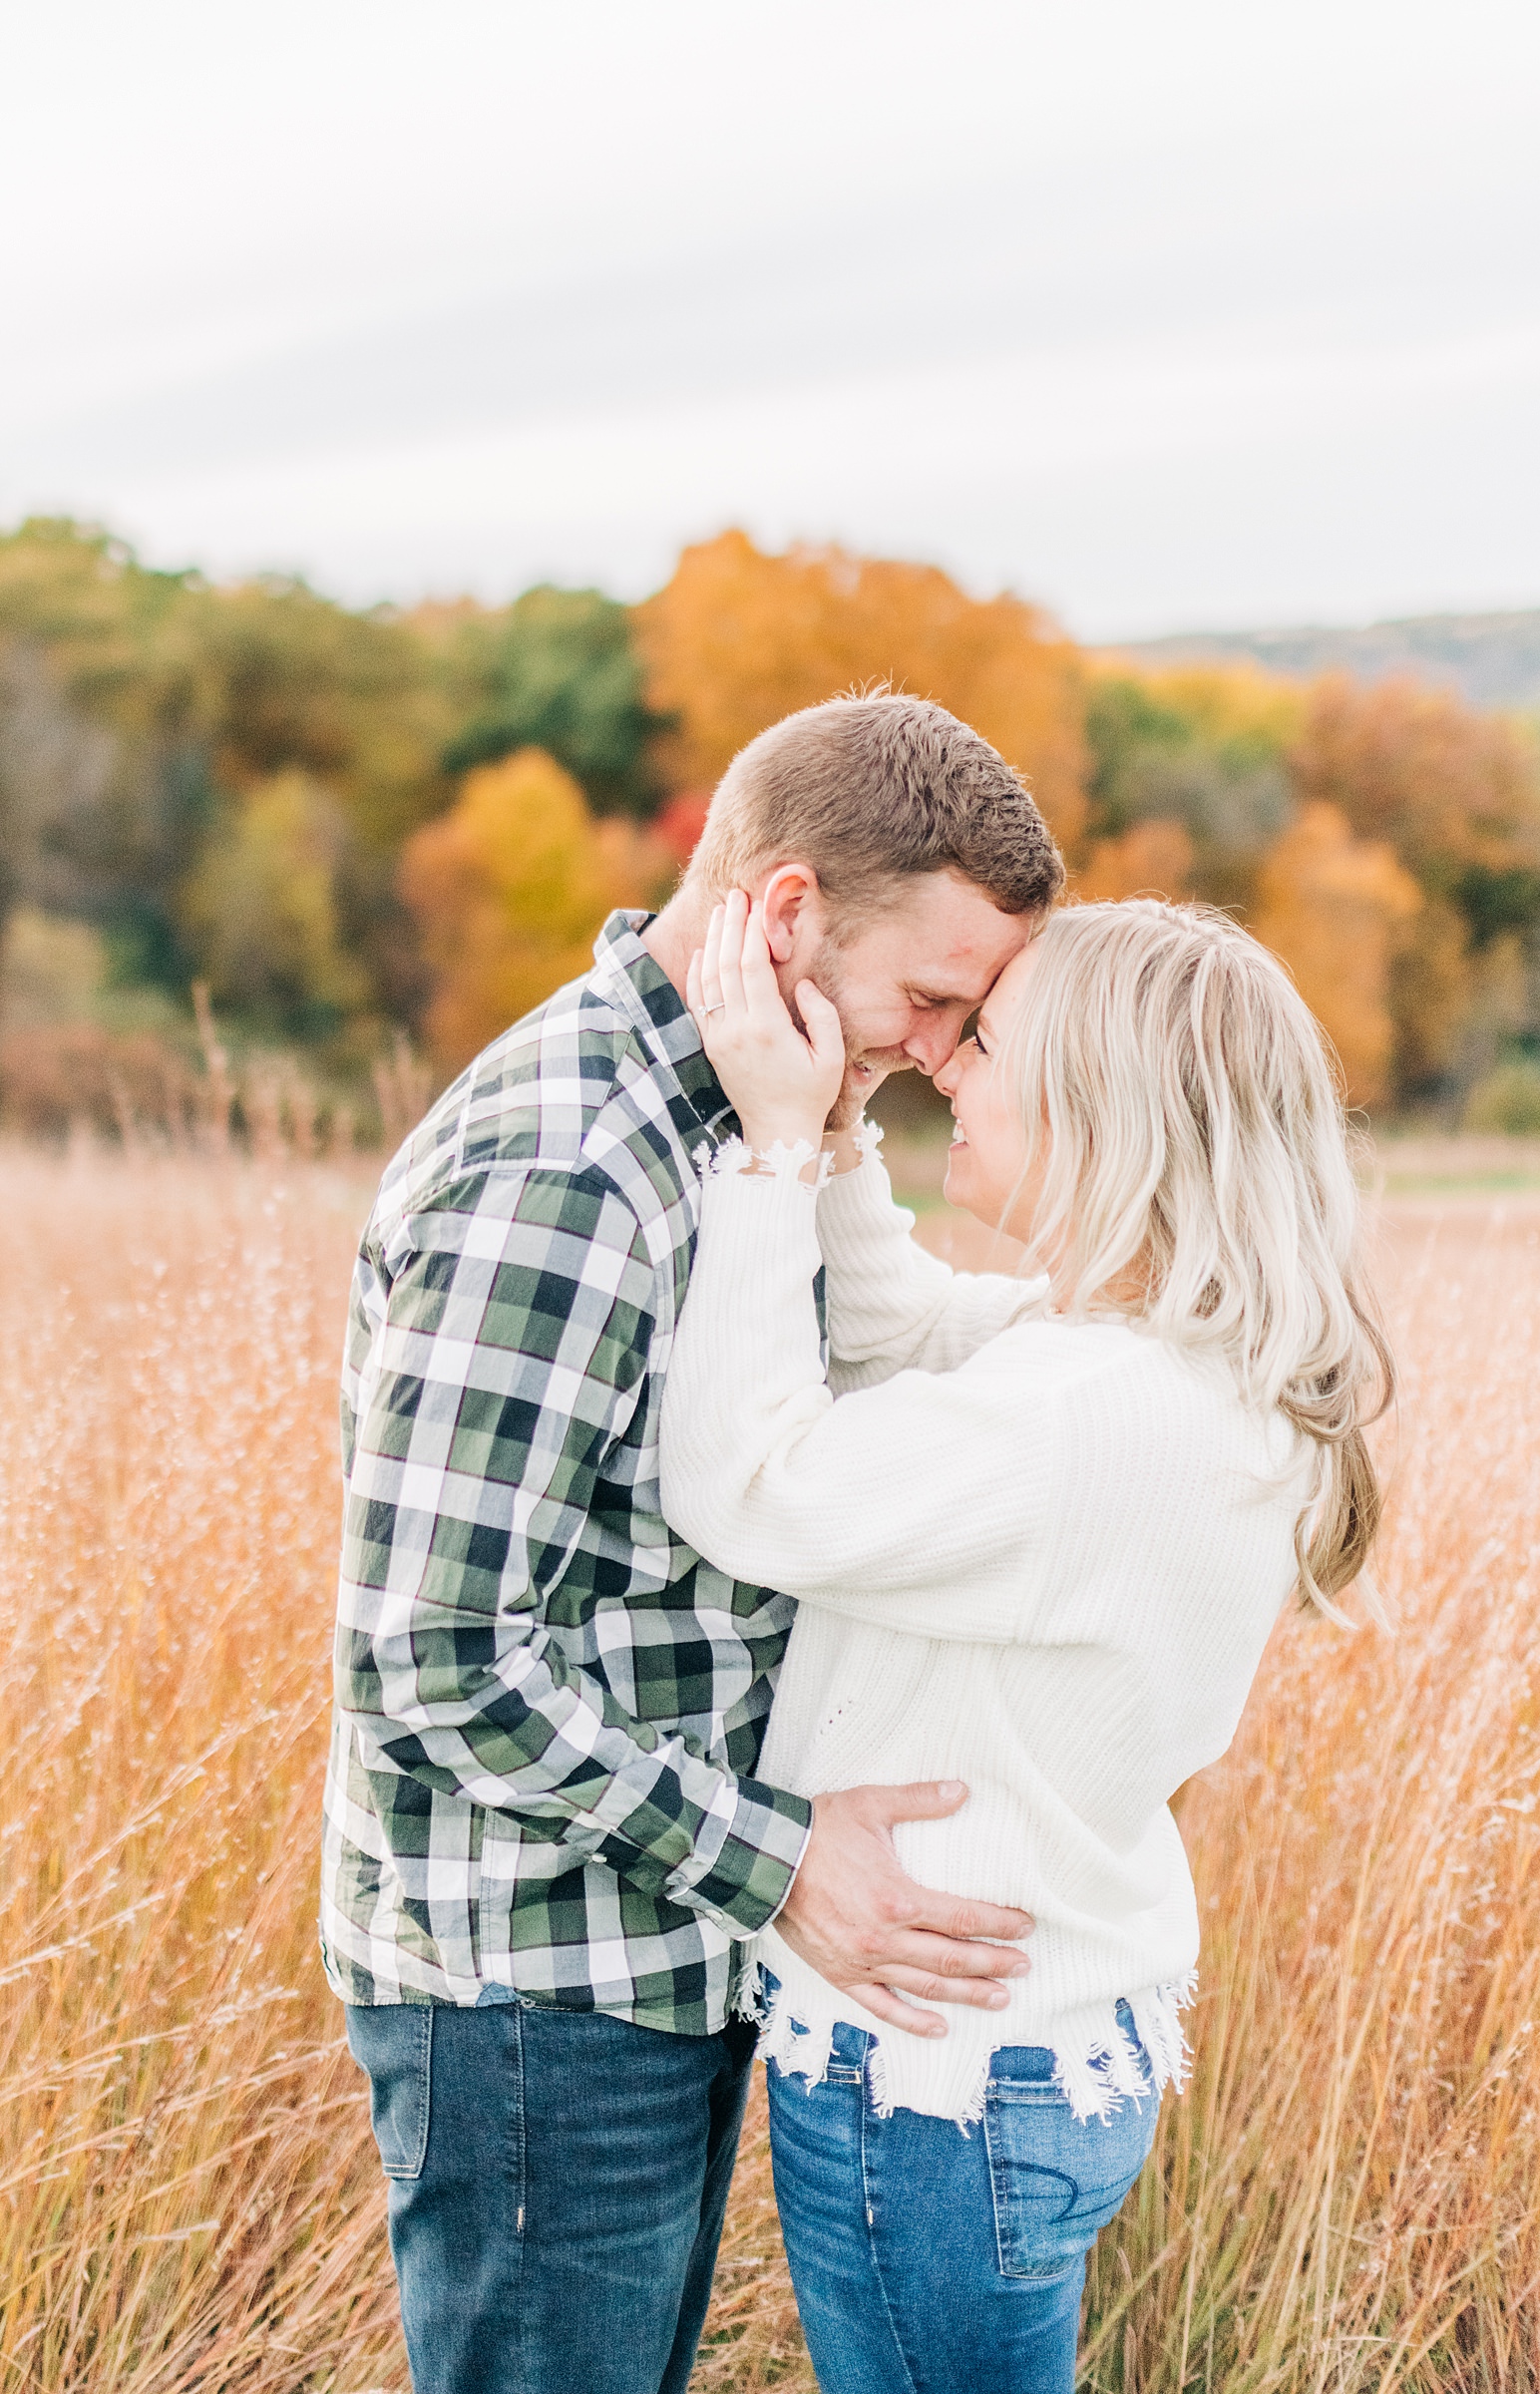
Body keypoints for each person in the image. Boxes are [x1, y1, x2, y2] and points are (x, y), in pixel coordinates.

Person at [320, 693, 1064, 2394]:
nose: (944, 1056)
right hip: (531, 1990)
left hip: (647, 1947)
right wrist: (785, 1861)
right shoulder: (568, 1172)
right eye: (934, 1002)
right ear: (786, 915)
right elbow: (428, 1660)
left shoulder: (745, 1124)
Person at [659, 890, 1392, 2394]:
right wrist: (849, 1124)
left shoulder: (1088, 1421)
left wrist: (776, 1158)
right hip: (1033, 2051)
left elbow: (744, 1483)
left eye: (985, 1041)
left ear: (1099, 1103)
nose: (946, 1067)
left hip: (938, 2086)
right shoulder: (1160, 1371)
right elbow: (900, 1328)